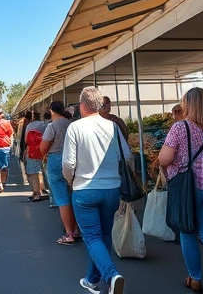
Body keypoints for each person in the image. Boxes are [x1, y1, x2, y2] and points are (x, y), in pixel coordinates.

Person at [158, 88, 203, 294]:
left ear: (187, 104)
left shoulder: (179, 128)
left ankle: (196, 278)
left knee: (188, 233)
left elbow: (164, 158)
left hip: (186, 191)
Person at [63, 86, 131, 294]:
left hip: (84, 189)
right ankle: (92, 280)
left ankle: (111, 276)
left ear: (82, 105)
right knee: (103, 235)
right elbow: (127, 156)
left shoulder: (75, 128)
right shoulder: (113, 127)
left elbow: (68, 163)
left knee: (92, 237)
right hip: (111, 188)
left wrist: (71, 180)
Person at [41, 101, 79, 241]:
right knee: (73, 195)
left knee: (62, 198)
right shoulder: (72, 124)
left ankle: (68, 233)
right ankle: (76, 229)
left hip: (56, 160)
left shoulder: (52, 126)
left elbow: (43, 148)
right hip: (73, 159)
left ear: (51, 110)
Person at [23, 110, 48, 202]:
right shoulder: (44, 125)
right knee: (42, 171)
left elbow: (26, 140)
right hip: (43, 150)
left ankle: (36, 191)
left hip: (32, 151)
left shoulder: (30, 126)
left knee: (33, 173)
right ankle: (44, 189)